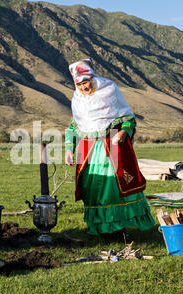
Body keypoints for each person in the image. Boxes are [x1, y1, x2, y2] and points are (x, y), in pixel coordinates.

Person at [64, 58, 155, 241]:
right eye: (79, 84)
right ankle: (99, 228)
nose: (83, 88)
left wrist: (123, 132)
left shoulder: (110, 91)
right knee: (91, 190)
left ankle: (119, 229)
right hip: (87, 151)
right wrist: (69, 149)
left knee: (115, 188)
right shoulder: (78, 100)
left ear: (92, 79)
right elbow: (73, 127)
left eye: (85, 83)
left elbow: (128, 119)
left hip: (110, 148)